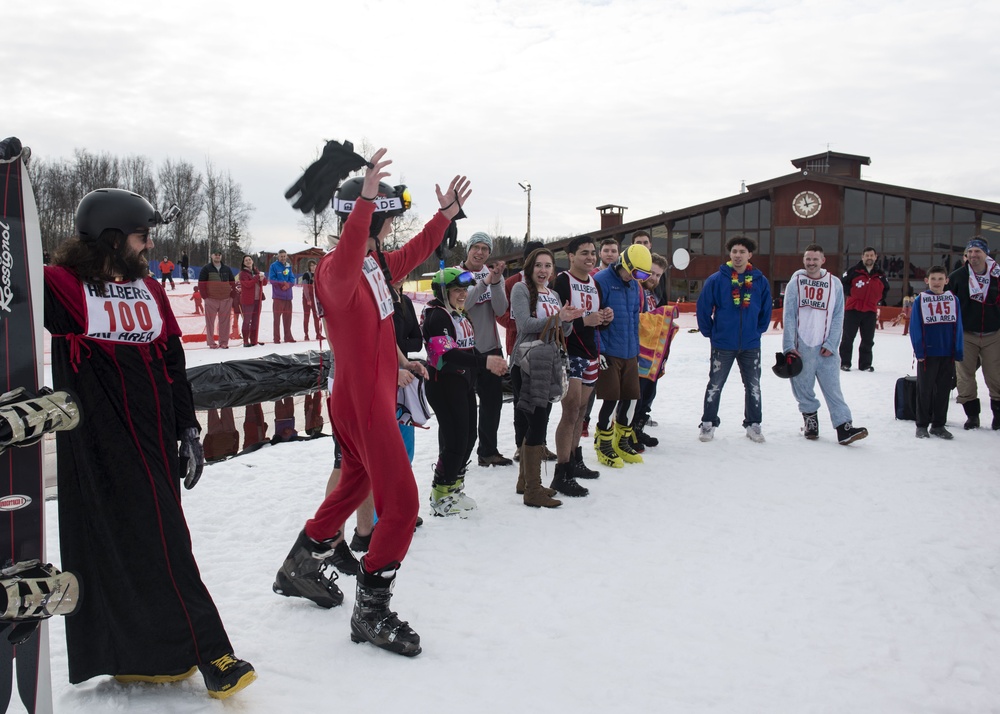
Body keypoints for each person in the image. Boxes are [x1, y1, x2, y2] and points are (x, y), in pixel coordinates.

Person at [44, 188, 254, 698]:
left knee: (154, 542)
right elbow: (15, 275)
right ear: (112, 239)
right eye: (142, 237)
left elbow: (173, 364)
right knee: (153, 543)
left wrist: (188, 428)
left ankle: (157, 654)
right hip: (103, 444)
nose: (150, 246)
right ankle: (212, 651)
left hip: (157, 437)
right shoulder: (65, 286)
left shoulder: (152, 291)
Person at [273, 148, 470, 657]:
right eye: (387, 217)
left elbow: (418, 253)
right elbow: (354, 250)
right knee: (401, 505)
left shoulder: (376, 264)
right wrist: (363, 201)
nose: (391, 229)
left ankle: (300, 563)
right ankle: (371, 611)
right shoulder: (335, 271)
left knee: (352, 486)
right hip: (364, 405)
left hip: (371, 395)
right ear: (371, 219)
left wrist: (445, 217)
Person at [422, 268, 508, 515]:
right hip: (444, 385)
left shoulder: (461, 314)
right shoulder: (438, 317)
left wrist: (487, 361)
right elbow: (447, 354)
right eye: (456, 290)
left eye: (464, 290)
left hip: (464, 384)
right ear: (443, 292)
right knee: (455, 440)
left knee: (470, 436)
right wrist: (485, 363)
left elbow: (469, 350)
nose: (462, 295)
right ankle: (441, 494)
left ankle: (454, 485)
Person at [510, 247, 584, 507]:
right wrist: (557, 317)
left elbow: (563, 329)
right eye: (539, 265)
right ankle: (533, 490)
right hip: (527, 363)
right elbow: (525, 325)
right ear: (530, 268)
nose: (543, 270)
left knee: (538, 421)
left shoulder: (552, 293)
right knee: (538, 423)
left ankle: (525, 482)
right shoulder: (521, 289)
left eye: (548, 266)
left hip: (549, 363)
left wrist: (569, 319)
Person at [782, 245, 868, 445]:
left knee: (833, 388)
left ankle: (843, 426)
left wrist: (832, 342)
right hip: (801, 345)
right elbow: (789, 314)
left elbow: (839, 315)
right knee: (802, 386)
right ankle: (810, 420)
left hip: (826, 347)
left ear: (823, 260)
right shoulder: (796, 283)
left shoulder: (835, 283)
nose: (811, 263)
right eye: (807, 259)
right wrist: (789, 345)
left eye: (815, 259)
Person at [695, 235, 772, 443]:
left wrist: (758, 331)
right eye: (734, 252)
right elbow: (703, 308)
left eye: (742, 252)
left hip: (751, 344)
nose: (738, 256)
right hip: (723, 344)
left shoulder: (760, 281)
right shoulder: (716, 279)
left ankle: (753, 424)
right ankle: (708, 423)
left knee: (753, 385)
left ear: (750, 255)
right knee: (715, 384)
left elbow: (766, 309)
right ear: (730, 254)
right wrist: (711, 332)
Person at [552, 236, 611, 495]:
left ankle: (575, 459)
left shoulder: (595, 283)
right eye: (584, 253)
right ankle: (561, 471)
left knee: (583, 410)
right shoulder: (563, 281)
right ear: (571, 256)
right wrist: (587, 321)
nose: (590, 257)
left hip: (591, 352)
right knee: (571, 410)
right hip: (570, 352)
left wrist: (605, 318)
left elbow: (594, 319)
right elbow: (557, 322)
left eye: (592, 253)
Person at [455, 232, 511, 467]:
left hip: (490, 348)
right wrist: (484, 282)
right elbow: (462, 304)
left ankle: (488, 451)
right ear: (467, 250)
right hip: (464, 350)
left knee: (492, 404)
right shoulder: (456, 274)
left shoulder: (492, 276)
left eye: (484, 249)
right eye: (475, 247)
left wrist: (496, 281)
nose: (479, 252)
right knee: (463, 406)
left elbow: (500, 309)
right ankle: (458, 454)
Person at [593, 243, 651, 465]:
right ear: (623, 264)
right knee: (611, 399)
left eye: (641, 276)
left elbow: (636, 318)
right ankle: (604, 442)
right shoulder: (602, 281)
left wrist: (636, 349)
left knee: (631, 398)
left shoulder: (634, 286)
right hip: (609, 352)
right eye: (634, 272)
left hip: (629, 352)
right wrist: (600, 350)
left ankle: (622, 440)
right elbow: (595, 317)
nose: (635, 278)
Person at [947, 236, 1000, 429]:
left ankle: (998, 416)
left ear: (986, 254)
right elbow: (947, 302)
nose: (973, 255)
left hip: (993, 334)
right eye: (970, 252)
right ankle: (972, 416)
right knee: (964, 377)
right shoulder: (958, 276)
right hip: (966, 334)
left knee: (995, 376)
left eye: (977, 251)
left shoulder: (997, 275)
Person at [909, 266, 964, 439]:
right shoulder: (921, 300)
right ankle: (922, 424)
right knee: (925, 389)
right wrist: (919, 350)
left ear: (947, 281)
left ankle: (939, 424)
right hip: (928, 353)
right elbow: (915, 327)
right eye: (933, 279)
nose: (937, 282)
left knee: (943, 390)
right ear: (927, 281)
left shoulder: (953, 300)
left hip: (947, 353)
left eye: (940, 279)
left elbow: (959, 326)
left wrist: (958, 350)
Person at [633, 252, 678, 448]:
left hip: (651, 356)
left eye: (658, 275)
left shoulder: (655, 294)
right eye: (651, 273)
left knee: (649, 393)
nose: (654, 278)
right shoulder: (635, 290)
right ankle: (626, 432)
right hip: (637, 353)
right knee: (635, 395)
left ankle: (637, 429)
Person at [839, 246, 889, 372]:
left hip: (870, 311)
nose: (869, 258)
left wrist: (878, 298)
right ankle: (844, 363)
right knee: (848, 338)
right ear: (862, 257)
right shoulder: (854, 270)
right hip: (852, 309)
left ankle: (865, 365)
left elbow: (886, 289)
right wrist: (851, 292)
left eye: (871, 255)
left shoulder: (880, 274)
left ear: (875, 257)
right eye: (867, 255)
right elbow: (843, 283)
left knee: (868, 339)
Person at [197, 249, 236, 349]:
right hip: (211, 299)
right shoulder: (206, 268)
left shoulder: (226, 269)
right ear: (212, 256)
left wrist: (232, 294)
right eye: (215, 254)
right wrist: (205, 296)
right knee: (210, 322)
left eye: (219, 255)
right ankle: (211, 342)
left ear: (221, 256)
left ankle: (224, 342)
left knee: (225, 322)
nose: (217, 256)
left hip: (226, 299)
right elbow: (201, 283)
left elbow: (232, 282)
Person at [238, 255, 267, 347]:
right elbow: (247, 284)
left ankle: (254, 340)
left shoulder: (256, 271)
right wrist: (257, 277)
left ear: (252, 261)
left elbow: (265, 283)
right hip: (248, 300)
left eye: (249, 260)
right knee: (247, 320)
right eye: (246, 260)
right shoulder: (243, 274)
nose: (248, 261)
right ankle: (246, 341)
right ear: (243, 263)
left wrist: (262, 278)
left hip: (258, 299)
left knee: (255, 320)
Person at [268, 249, 296, 343]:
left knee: (288, 318)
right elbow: (272, 279)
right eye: (281, 256)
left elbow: (292, 278)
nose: (283, 258)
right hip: (278, 296)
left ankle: (288, 336)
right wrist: (281, 284)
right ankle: (276, 338)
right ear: (278, 257)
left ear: (287, 256)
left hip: (288, 296)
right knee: (277, 318)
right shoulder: (273, 266)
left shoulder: (288, 266)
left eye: (284, 256)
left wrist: (289, 284)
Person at [301, 259, 323, 340]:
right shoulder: (306, 275)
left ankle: (318, 334)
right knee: (306, 316)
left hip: (315, 298)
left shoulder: (318, 274)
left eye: (314, 265)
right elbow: (305, 286)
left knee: (316, 316)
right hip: (308, 297)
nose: (313, 267)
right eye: (311, 265)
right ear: (309, 267)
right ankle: (306, 335)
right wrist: (308, 298)